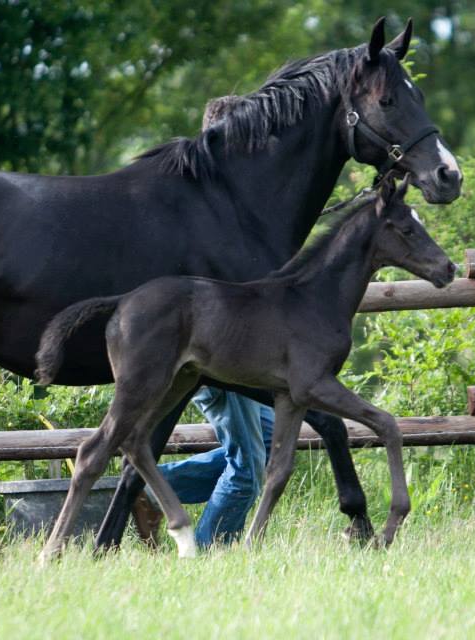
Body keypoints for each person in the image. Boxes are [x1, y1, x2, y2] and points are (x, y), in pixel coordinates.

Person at [132, 96, 277, 548]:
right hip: (216, 351)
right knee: (248, 470)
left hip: (244, 348)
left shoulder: (229, 201)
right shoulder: (207, 207)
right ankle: (209, 556)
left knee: (267, 444)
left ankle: (150, 492)